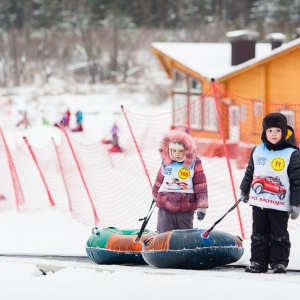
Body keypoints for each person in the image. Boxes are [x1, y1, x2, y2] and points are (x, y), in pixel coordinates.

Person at [239, 112, 300, 274]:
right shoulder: (257, 150)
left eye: (277, 131)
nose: (273, 134)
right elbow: (250, 172)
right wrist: (244, 190)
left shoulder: (291, 154)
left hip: (280, 205)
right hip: (259, 203)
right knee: (258, 233)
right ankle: (258, 262)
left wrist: (296, 204)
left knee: (279, 234)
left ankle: (279, 262)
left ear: (284, 132)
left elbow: (297, 181)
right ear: (264, 132)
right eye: (270, 131)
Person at [152, 126, 208, 233]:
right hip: (165, 204)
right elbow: (160, 179)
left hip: (185, 206)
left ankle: (184, 248)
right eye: (173, 150)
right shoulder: (166, 161)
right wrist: (155, 193)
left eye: (180, 151)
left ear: (187, 150)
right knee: (164, 232)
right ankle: (163, 248)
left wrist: (202, 206)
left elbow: (201, 185)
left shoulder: (194, 163)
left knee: (184, 235)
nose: (177, 154)